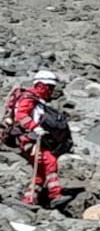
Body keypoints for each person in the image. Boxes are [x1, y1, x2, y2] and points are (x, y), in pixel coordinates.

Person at [4, 71, 68, 207]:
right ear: (40, 85)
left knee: (39, 170)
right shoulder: (29, 99)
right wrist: (35, 127)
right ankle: (55, 195)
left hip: (29, 139)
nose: (50, 90)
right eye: (48, 87)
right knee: (50, 161)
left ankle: (30, 199)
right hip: (28, 139)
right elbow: (22, 115)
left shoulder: (34, 99)